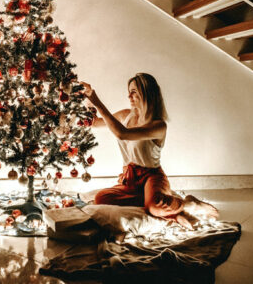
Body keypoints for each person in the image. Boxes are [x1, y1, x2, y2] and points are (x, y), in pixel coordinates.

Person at [80, 73, 218, 229]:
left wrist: (97, 101)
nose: (129, 95)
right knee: (101, 198)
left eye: (134, 92)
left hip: (152, 176)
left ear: (147, 93)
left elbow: (122, 133)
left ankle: (187, 204)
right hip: (130, 178)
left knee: (155, 207)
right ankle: (157, 201)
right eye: (129, 91)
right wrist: (87, 99)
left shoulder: (158, 125)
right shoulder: (125, 115)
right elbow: (94, 123)